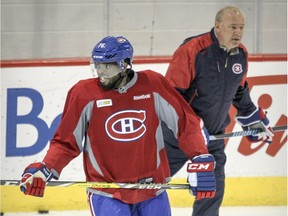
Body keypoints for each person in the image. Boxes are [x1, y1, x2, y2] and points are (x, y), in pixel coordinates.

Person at [19, 36, 217, 216]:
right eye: (97, 65)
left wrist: (200, 158)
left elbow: (186, 124)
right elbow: (65, 143)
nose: (101, 72)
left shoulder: (153, 84)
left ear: (125, 65)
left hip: (152, 190)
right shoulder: (83, 93)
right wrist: (45, 168)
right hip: (107, 193)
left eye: (108, 66)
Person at [162, 5, 274, 216]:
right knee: (149, 184)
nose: (238, 32)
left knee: (211, 191)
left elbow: (238, 92)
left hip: (213, 137)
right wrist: (194, 127)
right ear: (218, 26)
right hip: (177, 136)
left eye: (241, 27)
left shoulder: (240, 54)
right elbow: (171, 97)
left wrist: (254, 121)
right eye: (233, 27)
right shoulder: (193, 50)